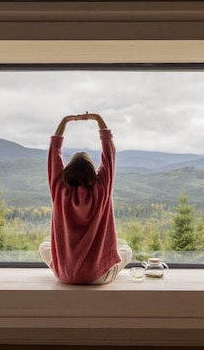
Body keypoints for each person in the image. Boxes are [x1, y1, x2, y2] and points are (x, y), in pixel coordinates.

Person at [39, 112, 132, 285]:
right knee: (126, 249)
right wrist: (98, 119)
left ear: (67, 172)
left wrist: (65, 121)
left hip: (65, 275)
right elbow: (109, 154)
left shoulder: (59, 190)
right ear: (92, 172)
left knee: (44, 247)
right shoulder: (102, 189)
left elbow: (54, 154)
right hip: (98, 276)